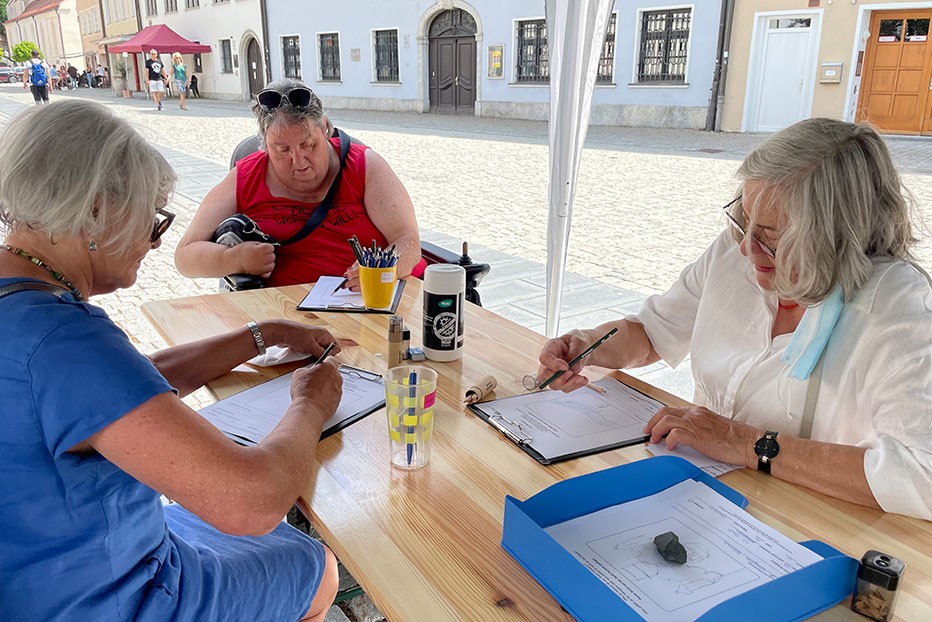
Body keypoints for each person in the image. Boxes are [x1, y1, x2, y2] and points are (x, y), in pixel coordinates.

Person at [0, 99, 342, 621]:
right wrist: (311, 403)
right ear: (96, 209)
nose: (154, 244)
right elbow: (252, 502)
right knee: (316, 565)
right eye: (152, 220)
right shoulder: (64, 339)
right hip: (115, 595)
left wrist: (262, 333)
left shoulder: (22, 302)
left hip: (41, 571)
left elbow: (128, 387)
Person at [536, 118, 932, 521]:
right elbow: (652, 332)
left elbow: (921, 475)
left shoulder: (898, 306)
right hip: (693, 498)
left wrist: (746, 443)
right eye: (744, 222)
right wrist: (588, 344)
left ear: (837, 238)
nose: (746, 249)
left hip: (801, 525)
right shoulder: (734, 251)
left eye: (771, 238)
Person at [175, 78, 424, 289]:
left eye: (308, 144)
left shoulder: (364, 165)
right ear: (264, 143)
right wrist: (233, 259)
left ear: (324, 128)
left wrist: (383, 269)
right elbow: (185, 255)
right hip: (282, 318)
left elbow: (408, 241)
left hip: (366, 304)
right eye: (282, 149)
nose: (299, 160)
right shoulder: (248, 176)